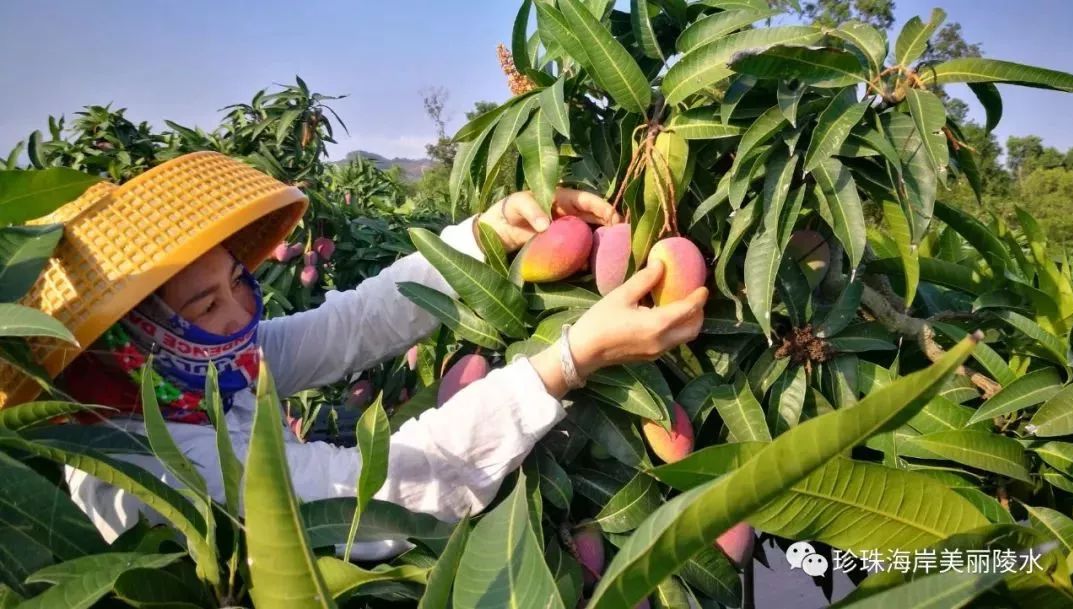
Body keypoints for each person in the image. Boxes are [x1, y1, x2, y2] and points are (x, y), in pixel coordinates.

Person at [1, 152, 707, 560]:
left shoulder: (208, 370)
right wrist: (569, 358)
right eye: (208, 305)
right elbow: (377, 500)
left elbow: (349, 326)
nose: (245, 312)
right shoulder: (145, 470)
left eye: (237, 280)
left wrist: (478, 238)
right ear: (126, 343)